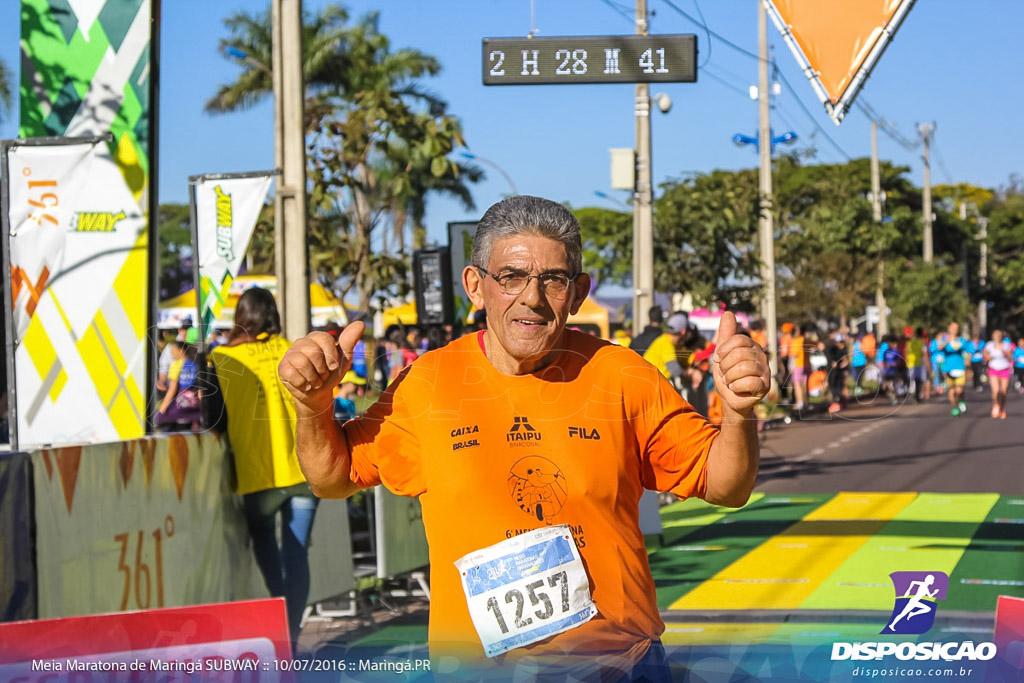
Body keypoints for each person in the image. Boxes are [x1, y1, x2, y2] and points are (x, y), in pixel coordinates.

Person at [278, 196, 769, 680]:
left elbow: (725, 484)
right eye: (511, 277)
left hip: (619, 665)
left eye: (552, 280)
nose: (531, 298)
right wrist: (313, 406)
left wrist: (739, 412)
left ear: (577, 293)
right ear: (476, 286)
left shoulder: (622, 376)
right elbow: (332, 478)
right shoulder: (427, 384)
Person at [207, 288, 318, 646]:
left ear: (240, 316)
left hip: (257, 476)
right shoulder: (296, 351)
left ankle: (280, 628)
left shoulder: (221, 359)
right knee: (297, 553)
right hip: (303, 470)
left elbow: (214, 423)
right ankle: (293, 632)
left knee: (264, 542)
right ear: (273, 314)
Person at [155, 341, 202, 431]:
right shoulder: (196, 365)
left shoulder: (176, 365)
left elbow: (172, 389)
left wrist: (162, 410)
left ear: (181, 351)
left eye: (173, 350)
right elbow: (200, 389)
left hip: (180, 408)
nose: (171, 353)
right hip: (194, 409)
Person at [939, 323, 969, 417]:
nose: (954, 330)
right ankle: (955, 407)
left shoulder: (961, 340)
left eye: (956, 328)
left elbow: (967, 350)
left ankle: (962, 400)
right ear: (949, 329)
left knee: (959, 390)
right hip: (948, 369)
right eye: (952, 328)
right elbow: (939, 348)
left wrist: (967, 360)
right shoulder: (944, 340)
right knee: (952, 391)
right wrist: (948, 340)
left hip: (960, 368)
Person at [983, 329, 1013, 419]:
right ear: (993, 336)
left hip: (1004, 368)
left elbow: (1010, 357)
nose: (997, 337)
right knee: (996, 391)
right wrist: (988, 356)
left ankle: (1002, 408)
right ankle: (996, 405)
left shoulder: (1006, 345)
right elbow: (985, 354)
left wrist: (1005, 353)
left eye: (999, 335)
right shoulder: (989, 345)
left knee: (1003, 392)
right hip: (993, 369)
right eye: (996, 335)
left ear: (1002, 337)